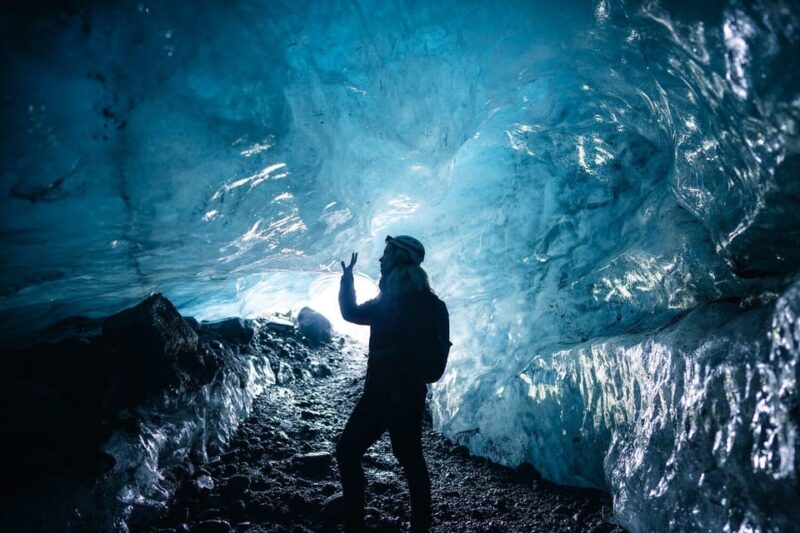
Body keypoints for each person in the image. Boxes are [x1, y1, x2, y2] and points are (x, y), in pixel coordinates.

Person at [335, 235, 439, 532]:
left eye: (385, 255)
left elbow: (351, 313)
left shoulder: (389, 302)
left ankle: (354, 523)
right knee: (411, 459)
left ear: (397, 259)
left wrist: (347, 280)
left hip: (382, 394)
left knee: (348, 451)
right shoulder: (428, 302)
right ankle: (421, 526)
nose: (380, 260)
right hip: (410, 394)